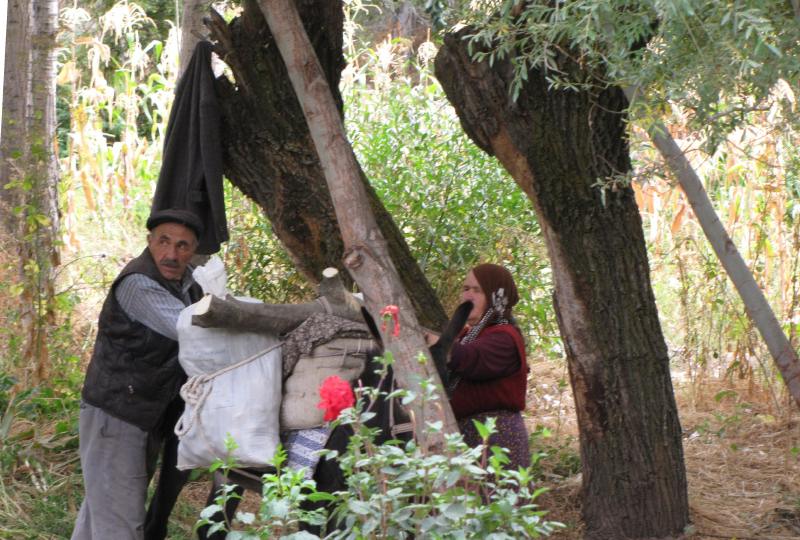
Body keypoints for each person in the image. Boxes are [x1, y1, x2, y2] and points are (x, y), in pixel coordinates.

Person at [71, 209, 205, 540]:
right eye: (164, 241)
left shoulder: (189, 285)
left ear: (194, 250)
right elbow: (193, 329)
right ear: (149, 241)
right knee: (121, 524)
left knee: (101, 515)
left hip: (143, 415)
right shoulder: (139, 283)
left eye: (182, 246)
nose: (171, 254)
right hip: (116, 416)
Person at [445, 263, 530, 471]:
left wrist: (428, 341)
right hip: (469, 436)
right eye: (466, 289)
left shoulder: (505, 337)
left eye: (478, 290)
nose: (468, 296)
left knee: (496, 501)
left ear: (495, 297)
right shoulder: (467, 335)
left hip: (496, 439)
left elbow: (470, 359)